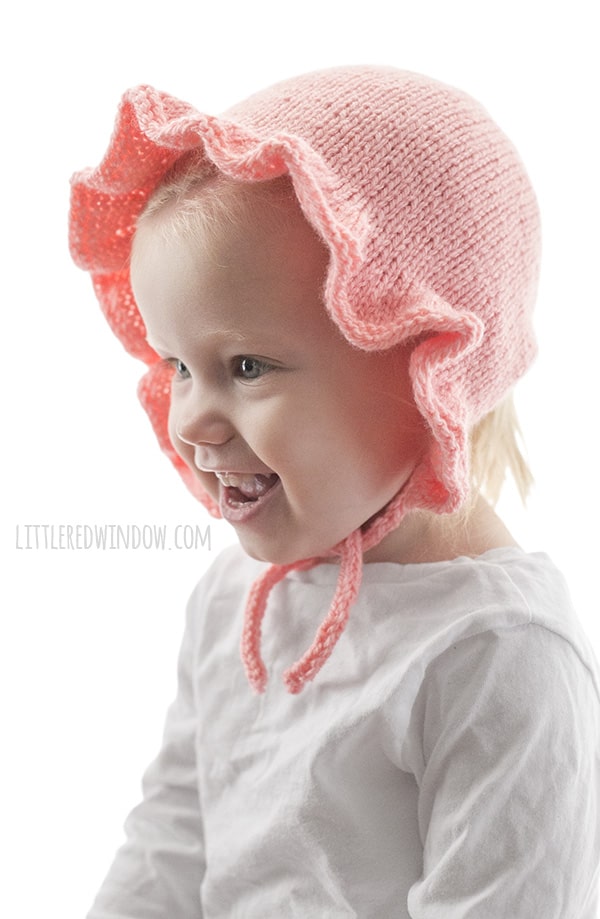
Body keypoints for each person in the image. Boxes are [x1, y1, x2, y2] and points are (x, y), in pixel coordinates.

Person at [69, 66, 600, 917]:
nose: (189, 420)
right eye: (177, 365)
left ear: (428, 363)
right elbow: (172, 842)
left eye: (245, 366)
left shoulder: (498, 655)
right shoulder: (233, 600)